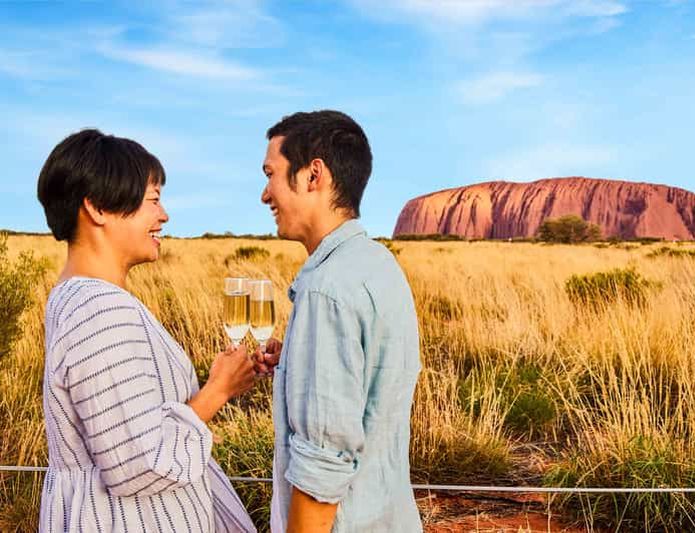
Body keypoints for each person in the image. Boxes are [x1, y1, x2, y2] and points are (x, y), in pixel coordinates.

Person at [36, 129, 259, 532]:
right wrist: (217, 392)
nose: (164, 215)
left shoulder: (78, 301)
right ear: (97, 207)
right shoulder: (98, 310)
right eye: (153, 200)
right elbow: (136, 463)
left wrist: (224, 381)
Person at [259, 111, 423, 532]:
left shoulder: (326, 288)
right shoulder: (377, 263)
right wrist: (298, 360)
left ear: (313, 175)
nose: (265, 194)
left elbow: (322, 466)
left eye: (271, 174)